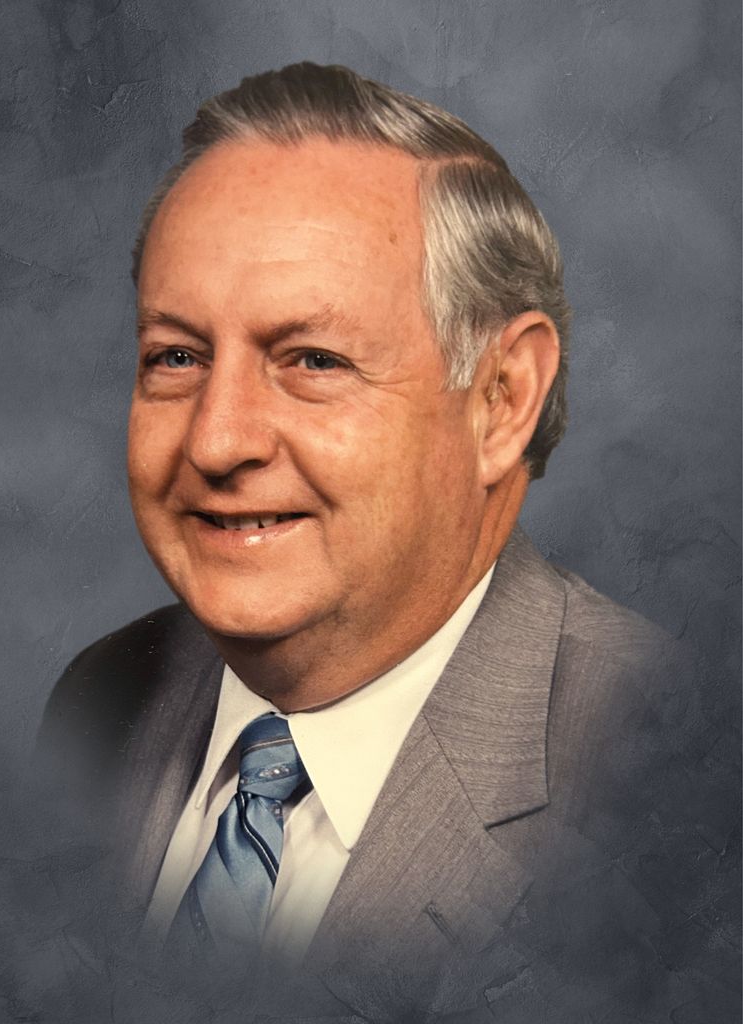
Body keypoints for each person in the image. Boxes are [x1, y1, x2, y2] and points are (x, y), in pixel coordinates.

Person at [39, 63, 735, 1021]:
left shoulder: (678, 788)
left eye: (313, 360)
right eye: (177, 357)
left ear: (501, 402)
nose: (216, 440)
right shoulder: (102, 697)